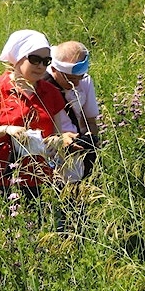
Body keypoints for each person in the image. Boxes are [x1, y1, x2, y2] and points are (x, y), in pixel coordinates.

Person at [0, 29, 78, 200]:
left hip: (41, 181)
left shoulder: (51, 92)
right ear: (17, 58)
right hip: (1, 181)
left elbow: (55, 135)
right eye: (34, 59)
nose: (40, 66)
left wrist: (62, 139)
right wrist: (6, 130)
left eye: (46, 61)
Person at [47, 40, 101, 184]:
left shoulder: (85, 81)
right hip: (51, 153)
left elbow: (90, 121)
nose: (76, 84)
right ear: (54, 69)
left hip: (79, 153)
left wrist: (90, 140)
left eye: (80, 78)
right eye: (70, 79)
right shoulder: (41, 85)